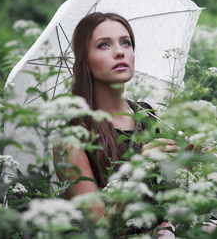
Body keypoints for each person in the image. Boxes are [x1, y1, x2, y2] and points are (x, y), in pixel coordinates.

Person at [53, 12, 179, 234]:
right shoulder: (72, 139)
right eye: (103, 45)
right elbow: (101, 228)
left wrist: (190, 162)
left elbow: (166, 197)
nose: (120, 51)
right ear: (86, 62)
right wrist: (139, 169)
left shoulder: (147, 114)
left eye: (125, 42)